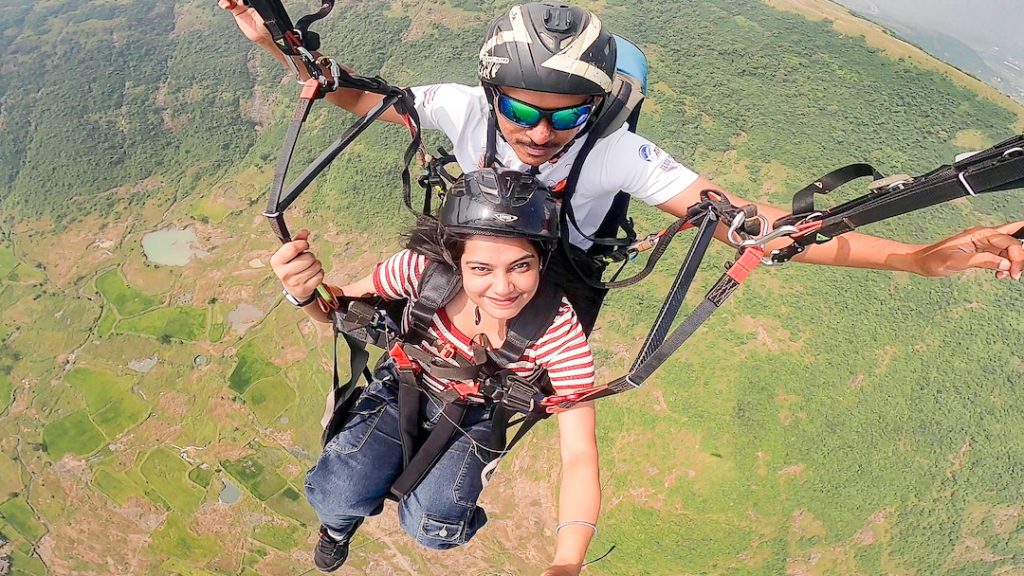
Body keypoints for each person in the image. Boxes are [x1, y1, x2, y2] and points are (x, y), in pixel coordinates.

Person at [225, 0, 1024, 336]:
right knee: (373, 301)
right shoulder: (462, 106)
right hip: (464, 240)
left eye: (566, 115)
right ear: (491, 94)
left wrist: (920, 258)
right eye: (522, 110)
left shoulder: (616, 153)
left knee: (493, 356)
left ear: (598, 110)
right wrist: (284, 46)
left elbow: (755, 229)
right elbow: (359, 98)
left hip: (559, 269)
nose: (540, 132)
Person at [271, 168, 600, 575]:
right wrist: (302, 291)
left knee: (433, 527)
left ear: (541, 260)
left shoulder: (556, 329)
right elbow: (338, 311)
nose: (503, 288)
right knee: (334, 495)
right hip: (402, 387)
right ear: (455, 258)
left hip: (477, 416)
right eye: (481, 268)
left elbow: (580, 452)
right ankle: (336, 532)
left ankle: (443, 514)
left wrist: (568, 561)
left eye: (521, 266)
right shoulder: (422, 270)